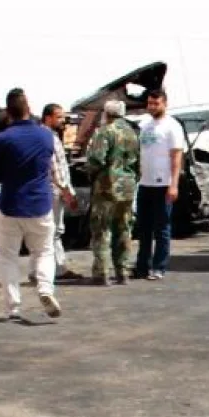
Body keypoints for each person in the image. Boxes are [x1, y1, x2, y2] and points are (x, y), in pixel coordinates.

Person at [0, 89, 61, 320]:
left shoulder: (2, 139)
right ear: (29, 110)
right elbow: (49, 165)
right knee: (44, 251)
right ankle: (45, 289)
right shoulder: (46, 136)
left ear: (8, 113)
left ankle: (13, 307)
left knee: (8, 257)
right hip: (40, 203)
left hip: (10, 205)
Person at [84, 99, 141, 285]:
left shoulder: (105, 131)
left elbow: (96, 159)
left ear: (107, 113)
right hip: (127, 187)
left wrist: (89, 173)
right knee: (124, 229)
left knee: (101, 229)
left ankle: (101, 273)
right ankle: (122, 271)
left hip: (107, 187)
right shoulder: (133, 133)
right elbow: (139, 163)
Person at [135, 88, 184, 280]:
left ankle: (159, 267)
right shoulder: (144, 125)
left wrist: (174, 184)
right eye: (149, 103)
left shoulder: (172, 126)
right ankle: (142, 266)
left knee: (161, 227)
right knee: (144, 227)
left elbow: (176, 157)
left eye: (156, 103)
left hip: (163, 184)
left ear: (165, 103)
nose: (152, 107)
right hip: (145, 183)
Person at [41, 102, 78, 281]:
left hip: (56, 189)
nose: (63, 120)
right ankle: (57, 269)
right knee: (53, 231)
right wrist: (66, 190)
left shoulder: (52, 136)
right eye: (59, 117)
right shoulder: (47, 137)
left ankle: (43, 269)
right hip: (54, 190)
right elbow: (54, 168)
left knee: (51, 231)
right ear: (48, 118)